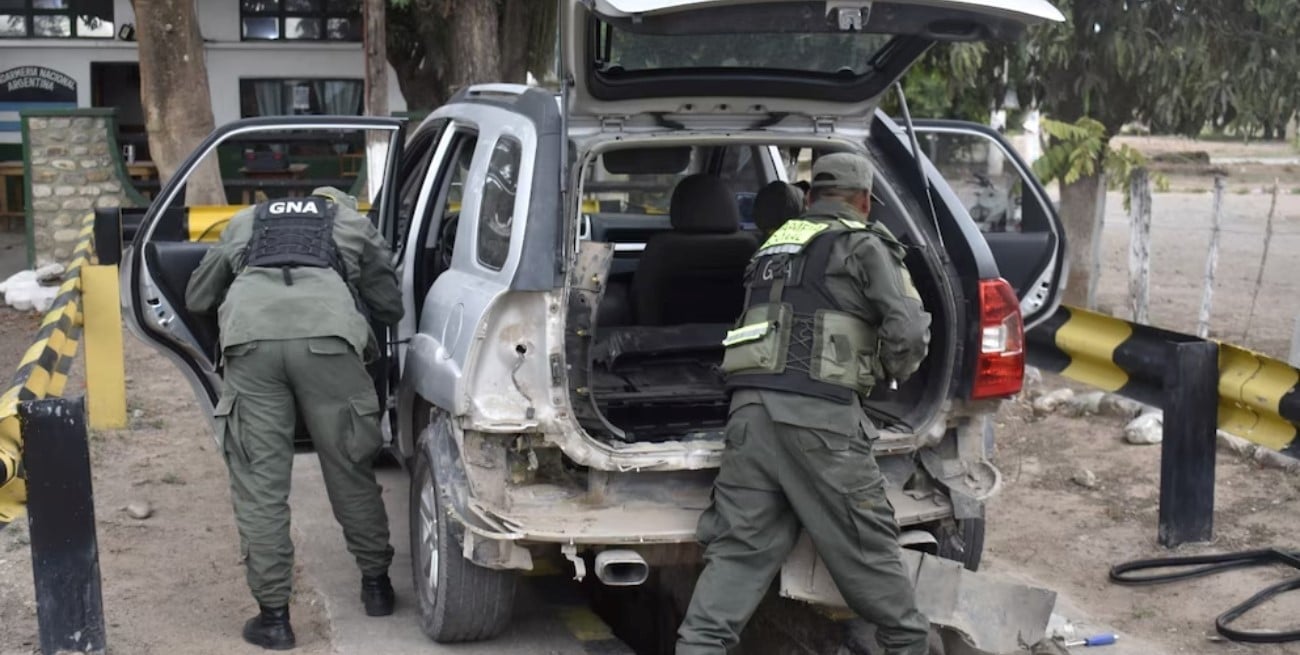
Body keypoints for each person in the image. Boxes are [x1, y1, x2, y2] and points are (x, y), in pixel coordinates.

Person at [677, 153, 933, 655]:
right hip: (821, 423)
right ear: (863, 201)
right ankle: (909, 646)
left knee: (737, 555)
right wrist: (890, 375)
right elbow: (908, 329)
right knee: (868, 548)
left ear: (810, 197)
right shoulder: (864, 243)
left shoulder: (773, 246)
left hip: (750, 417)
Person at [186, 186, 403, 650]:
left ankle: (274, 619)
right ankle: (377, 587)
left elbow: (198, 297)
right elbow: (389, 305)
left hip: (251, 342)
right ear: (338, 208)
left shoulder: (247, 219)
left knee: (260, 486)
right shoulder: (352, 224)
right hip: (330, 340)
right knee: (350, 469)